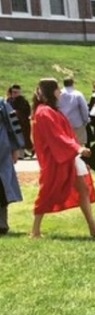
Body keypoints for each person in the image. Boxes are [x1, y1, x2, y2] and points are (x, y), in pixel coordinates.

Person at [30, 78, 95, 238]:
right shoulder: (44, 112)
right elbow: (57, 136)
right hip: (56, 158)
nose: (60, 92)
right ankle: (35, 231)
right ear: (51, 91)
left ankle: (93, 227)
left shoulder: (50, 110)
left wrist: (77, 148)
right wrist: (77, 148)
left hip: (68, 155)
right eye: (57, 89)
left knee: (83, 188)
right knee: (48, 190)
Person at [0, 95, 24, 235]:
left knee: (2, 187)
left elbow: (13, 126)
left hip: (2, 153)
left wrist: (15, 148)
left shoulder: (2, 103)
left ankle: (2, 223)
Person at [58, 77, 91, 146]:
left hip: (62, 123)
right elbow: (84, 108)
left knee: (65, 144)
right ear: (73, 84)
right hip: (77, 123)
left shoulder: (58, 94)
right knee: (78, 145)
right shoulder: (77, 94)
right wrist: (85, 120)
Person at [8, 84, 33, 158]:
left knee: (22, 139)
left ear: (19, 92)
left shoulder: (23, 101)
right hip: (11, 124)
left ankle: (22, 154)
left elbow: (27, 112)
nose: (14, 94)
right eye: (13, 92)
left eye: (16, 92)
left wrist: (17, 113)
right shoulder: (9, 101)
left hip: (22, 124)